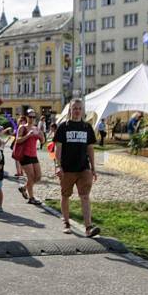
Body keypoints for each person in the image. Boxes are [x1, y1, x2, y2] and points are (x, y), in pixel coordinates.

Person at [54, 99, 100, 238]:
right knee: (65, 195)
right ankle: (66, 222)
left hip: (83, 168)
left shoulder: (87, 128)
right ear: (70, 110)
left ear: (83, 111)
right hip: (67, 169)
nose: (77, 110)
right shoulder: (63, 127)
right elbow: (58, 149)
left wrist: (93, 168)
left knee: (85, 196)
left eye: (80, 108)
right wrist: (58, 166)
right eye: (75, 108)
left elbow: (90, 149)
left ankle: (88, 227)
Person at [15, 108, 45, 205]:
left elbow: (43, 141)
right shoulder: (22, 127)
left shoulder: (36, 129)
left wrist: (41, 137)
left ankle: (24, 188)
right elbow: (17, 140)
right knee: (31, 177)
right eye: (30, 116)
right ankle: (31, 198)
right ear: (26, 117)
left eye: (33, 117)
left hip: (33, 155)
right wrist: (28, 135)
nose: (32, 118)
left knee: (38, 176)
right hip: (24, 155)